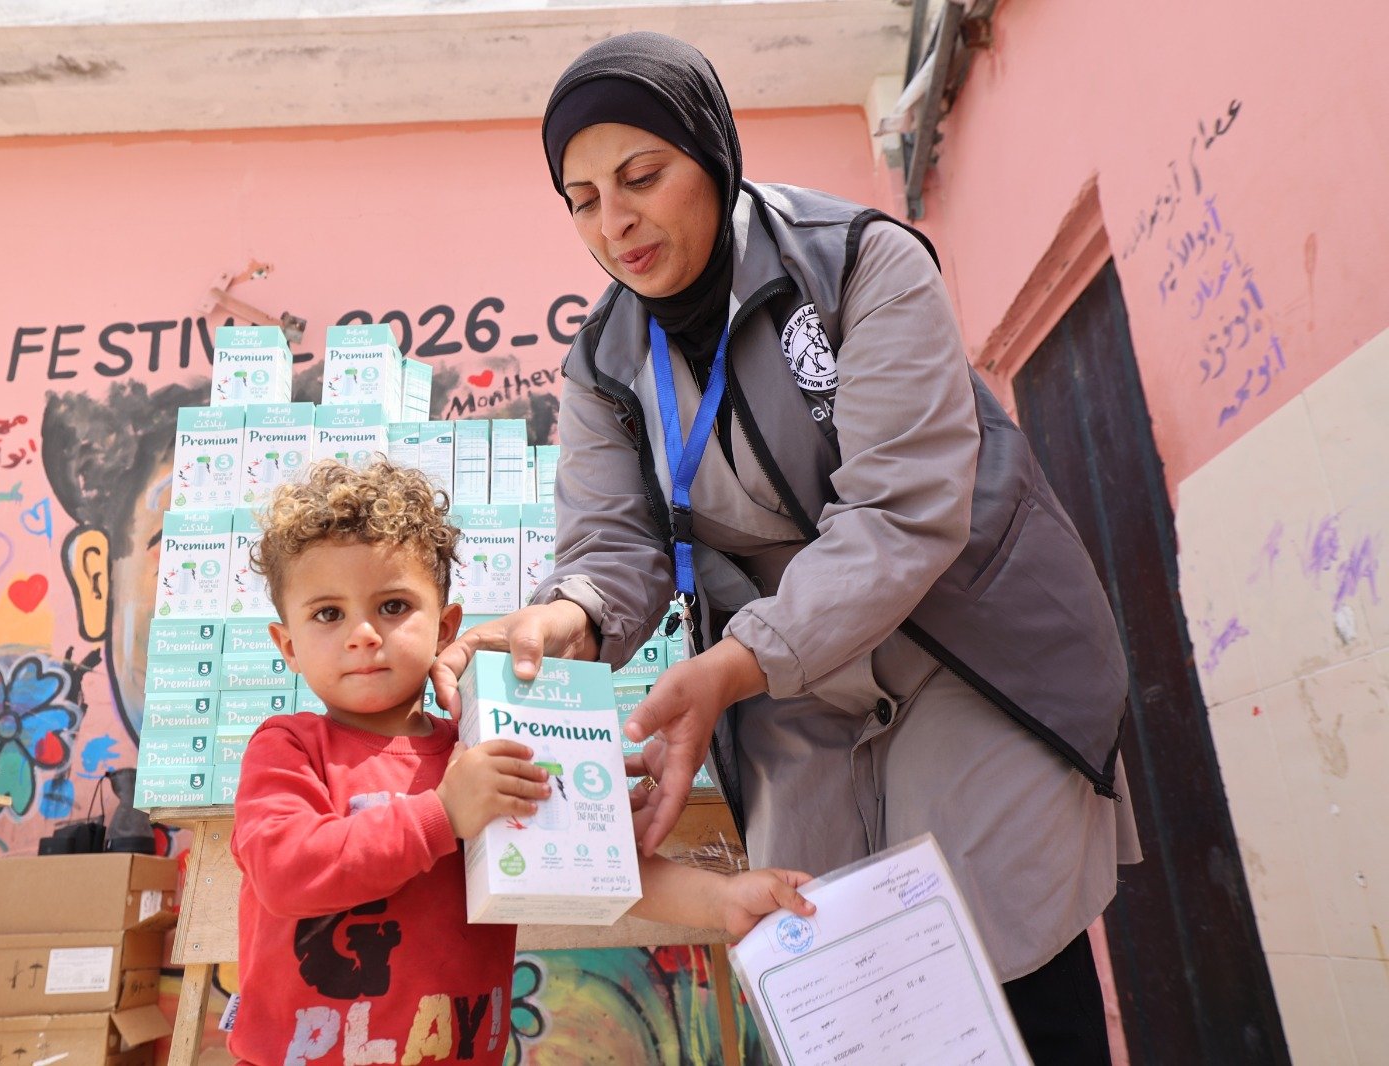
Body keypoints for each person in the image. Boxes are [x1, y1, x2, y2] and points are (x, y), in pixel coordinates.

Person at [432, 31, 1143, 1063]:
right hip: (786, 692)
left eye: (642, 176)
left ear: (712, 152)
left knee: (998, 943)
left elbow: (901, 510)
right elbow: (612, 544)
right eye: (582, 199)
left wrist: (732, 664)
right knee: (838, 969)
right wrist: (567, 613)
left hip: (961, 644)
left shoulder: (860, 261)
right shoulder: (603, 363)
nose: (614, 221)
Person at [229, 459, 815, 1066]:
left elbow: (591, 869)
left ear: (446, 629)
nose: (364, 634)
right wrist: (441, 815)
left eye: (394, 606)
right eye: (328, 614)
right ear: (288, 645)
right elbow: (284, 871)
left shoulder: (488, 744)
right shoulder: (289, 748)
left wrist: (722, 900)